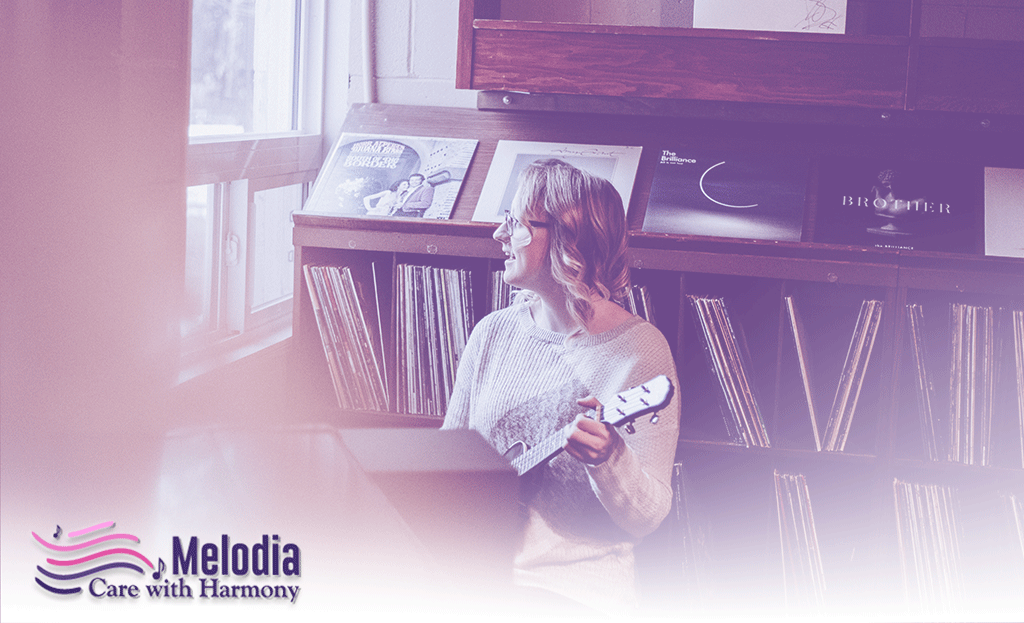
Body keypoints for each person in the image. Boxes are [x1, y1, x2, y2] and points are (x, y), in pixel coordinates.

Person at [442, 158, 681, 615]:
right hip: (477, 577)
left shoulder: (640, 352)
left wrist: (610, 460)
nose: (499, 234)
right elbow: (448, 459)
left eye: (514, 223)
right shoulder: (492, 333)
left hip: (573, 591)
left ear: (568, 239)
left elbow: (647, 517)